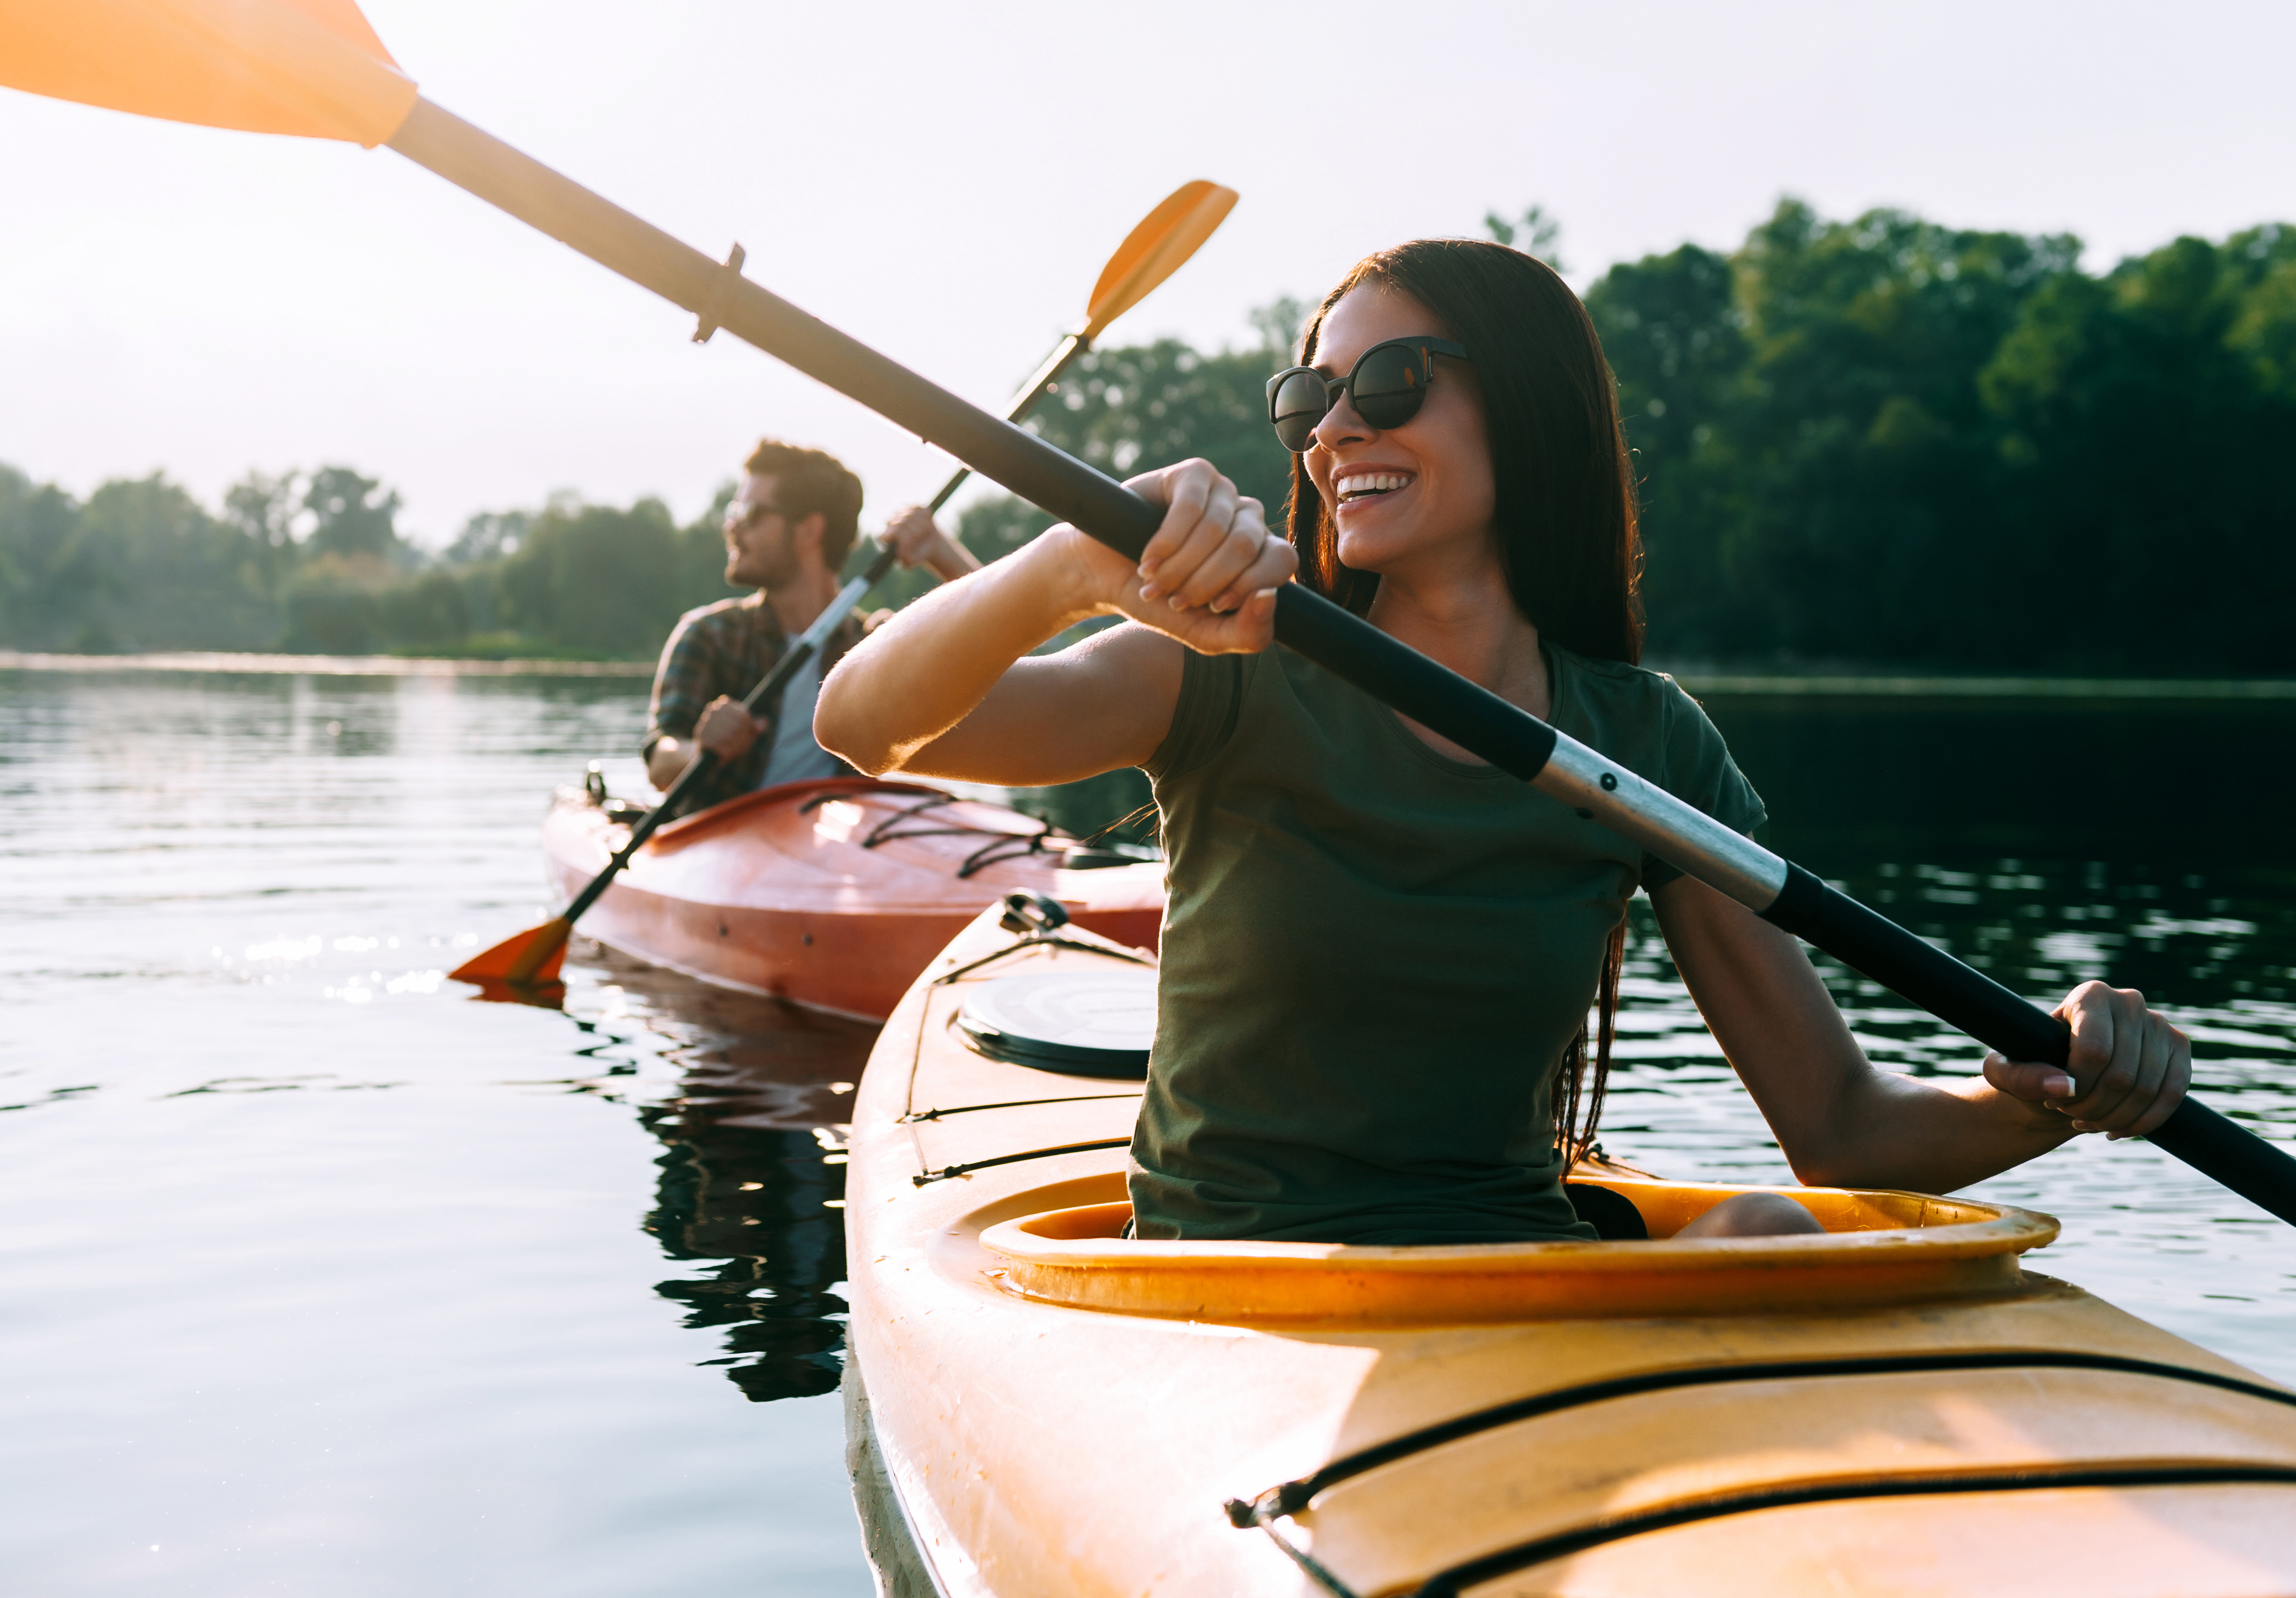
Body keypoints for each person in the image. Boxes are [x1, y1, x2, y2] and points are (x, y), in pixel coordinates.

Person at [815, 239, 2192, 1246]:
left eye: (1393, 381)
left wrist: (2055, 1087)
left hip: (1515, 1274)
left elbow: (1841, 1126)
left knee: (1768, 1224)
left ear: (1526, 405)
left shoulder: (1645, 745)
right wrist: (1068, 563)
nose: (1339, 425)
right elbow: (864, 723)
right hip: (1230, 1286)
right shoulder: (1226, 664)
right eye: (1311, 402)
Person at [645, 439, 978, 811]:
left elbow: (1000, 642)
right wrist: (700, 749)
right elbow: (661, 762)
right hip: (721, 845)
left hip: (835, 851)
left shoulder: (875, 646)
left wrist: (940, 551)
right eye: (733, 511)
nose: (733, 528)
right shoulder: (708, 636)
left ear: (808, 531)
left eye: (750, 513)